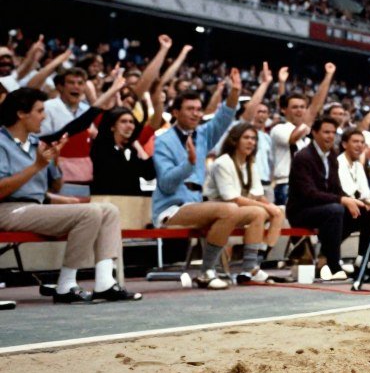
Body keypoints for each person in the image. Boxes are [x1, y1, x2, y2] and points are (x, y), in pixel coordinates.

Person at [0, 88, 141, 303]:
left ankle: (105, 283)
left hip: (36, 207)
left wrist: (54, 161)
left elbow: (55, 187)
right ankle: (66, 284)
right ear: (21, 114)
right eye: (39, 111)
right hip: (8, 209)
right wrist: (38, 166)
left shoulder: (38, 144)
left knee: (109, 211)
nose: (44, 116)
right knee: (90, 212)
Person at [152, 71, 245, 290]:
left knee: (250, 212)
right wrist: (189, 164)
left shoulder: (202, 134)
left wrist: (236, 92)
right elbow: (165, 184)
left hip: (195, 203)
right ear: (175, 112)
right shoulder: (162, 141)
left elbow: (225, 116)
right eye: (189, 109)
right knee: (229, 210)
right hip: (169, 208)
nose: (195, 114)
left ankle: (250, 267)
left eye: (198, 109)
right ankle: (206, 271)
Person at [286, 116, 370, 281]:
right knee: (336, 210)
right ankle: (333, 265)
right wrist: (342, 200)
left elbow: (336, 189)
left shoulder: (331, 156)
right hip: (301, 210)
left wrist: (359, 202)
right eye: (326, 132)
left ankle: (364, 262)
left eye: (333, 132)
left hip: (324, 208)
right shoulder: (303, 157)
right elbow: (309, 193)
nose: (330, 136)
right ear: (314, 133)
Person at [204, 123, 283, 284]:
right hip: (217, 211)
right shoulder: (222, 162)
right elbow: (232, 198)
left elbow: (258, 194)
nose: (251, 142)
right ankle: (249, 267)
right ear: (235, 141)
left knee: (278, 212)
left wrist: (272, 208)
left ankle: (256, 264)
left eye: (253, 138)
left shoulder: (250, 163)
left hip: (240, 210)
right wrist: (266, 207)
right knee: (259, 212)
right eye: (246, 138)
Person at [269, 63, 336, 205]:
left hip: (307, 185)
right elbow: (294, 136)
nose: (299, 110)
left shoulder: (307, 139)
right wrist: (328, 76)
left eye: (302, 107)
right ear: (284, 110)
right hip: (285, 185)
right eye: (294, 107)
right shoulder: (279, 129)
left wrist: (329, 76)